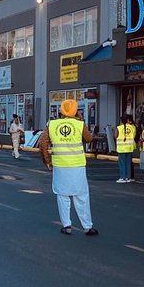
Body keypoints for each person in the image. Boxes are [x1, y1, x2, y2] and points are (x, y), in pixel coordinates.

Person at [41, 98, 97, 236]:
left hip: (60, 165)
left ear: (61, 111)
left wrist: (47, 161)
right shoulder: (79, 124)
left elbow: (43, 143)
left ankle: (66, 225)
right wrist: (80, 121)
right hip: (77, 165)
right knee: (81, 195)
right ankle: (87, 227)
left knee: (62, 195)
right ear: (76, 111)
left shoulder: (52, 124)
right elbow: (89, 139)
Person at [115, 114, 137, 183]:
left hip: (121, 148)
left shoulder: (119, 128)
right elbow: (133, 135)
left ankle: (122, 177)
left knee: (122, 163)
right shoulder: (132, 127)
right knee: (128, 163)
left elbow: (116, 136)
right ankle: (128, 177)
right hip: (129, 147)